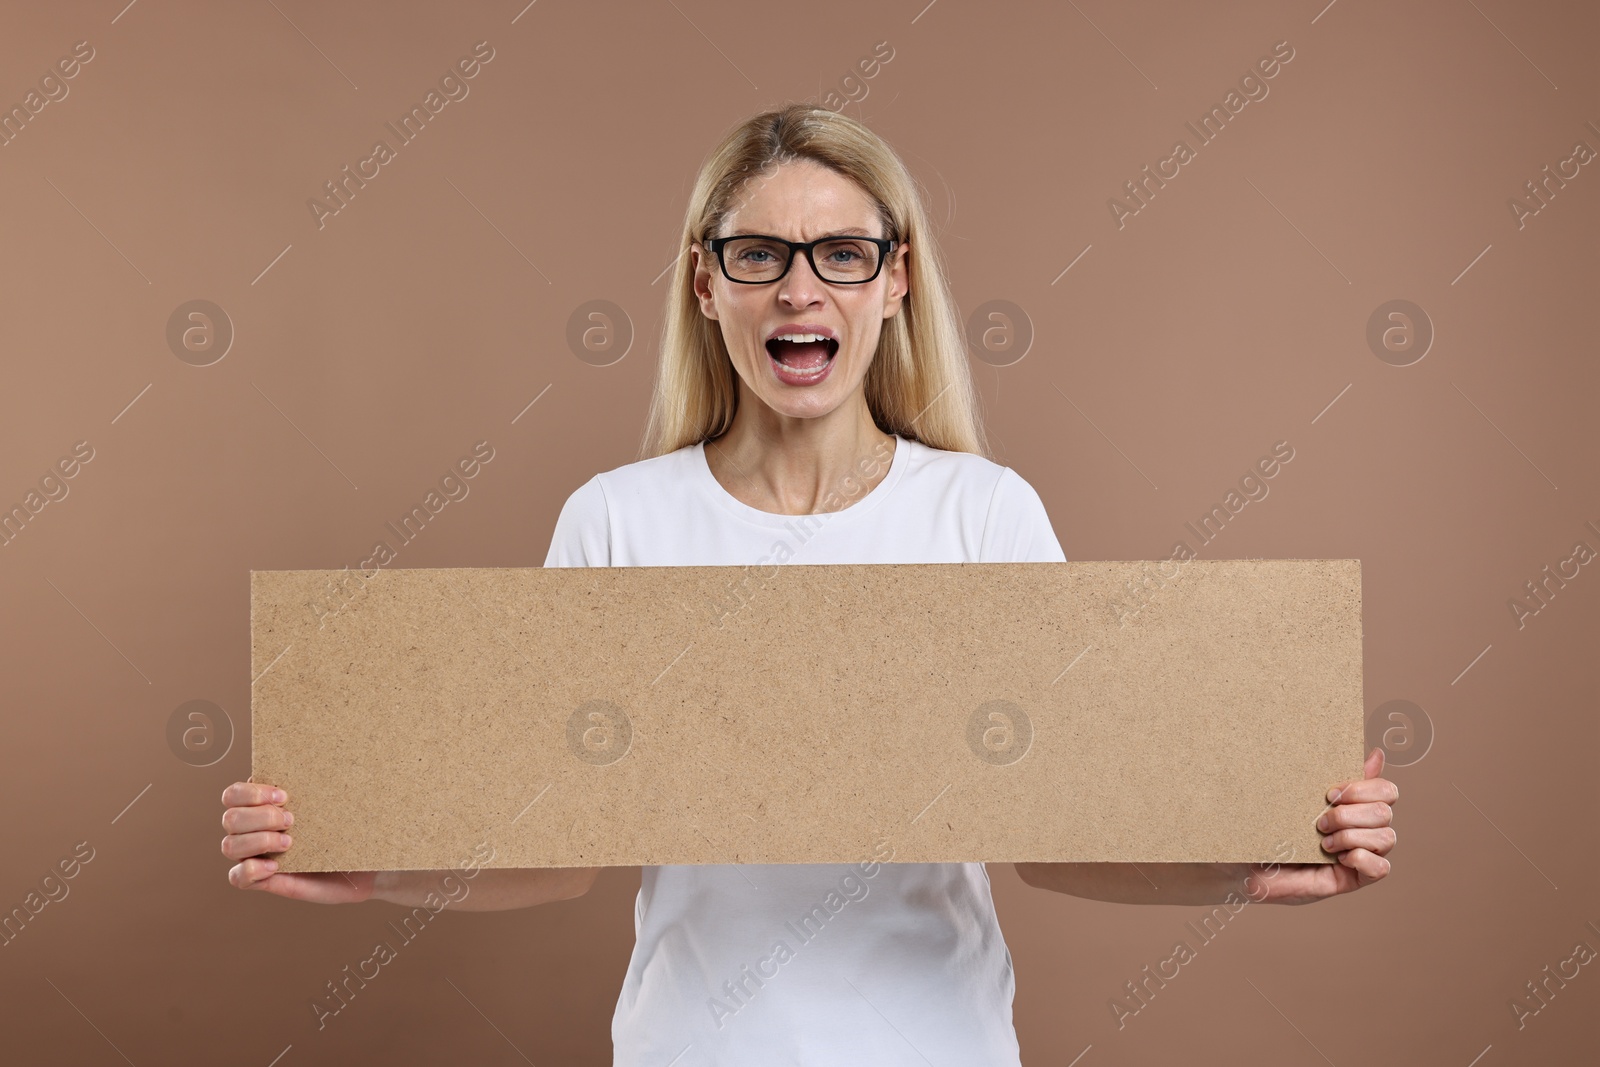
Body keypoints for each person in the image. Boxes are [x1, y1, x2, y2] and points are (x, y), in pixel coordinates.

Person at [221, 103, 1397, 1064]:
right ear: (704, 283)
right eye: (758, 255)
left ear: (894, 283)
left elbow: (1053, 836)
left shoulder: (982, 513)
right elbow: (560, 849)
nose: (799, 290)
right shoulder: (619, 520)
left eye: (842, 254)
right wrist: (377, 854)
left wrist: (1242, 860)